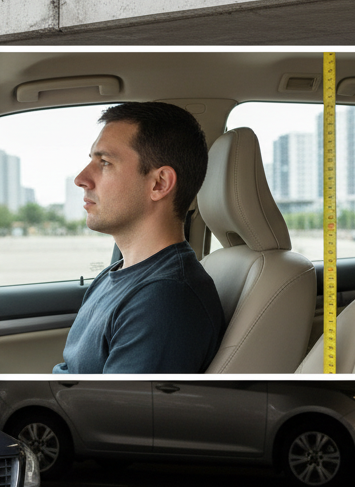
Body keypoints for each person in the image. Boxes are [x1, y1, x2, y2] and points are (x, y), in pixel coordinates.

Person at [52, 102, 226, 374]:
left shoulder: (165, 299)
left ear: (159, 184)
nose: (81, 178)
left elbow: (116, 412)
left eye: (105, 162)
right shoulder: (115, 276)